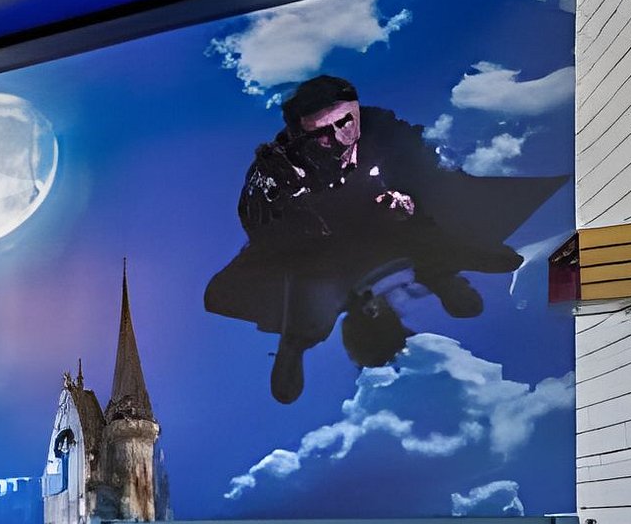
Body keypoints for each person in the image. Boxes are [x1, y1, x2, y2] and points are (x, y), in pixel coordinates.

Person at [205, 74, 565, 403]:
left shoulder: (381, 127)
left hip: (385, 229)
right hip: (319, 248)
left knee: (431, 224)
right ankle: (295, 343)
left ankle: (443, 271)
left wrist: (409, 201)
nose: (338, 139)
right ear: (300, 133)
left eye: (345, 122)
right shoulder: (274, 170)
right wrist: (303, 220)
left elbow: (429, 168)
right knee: (311, 294)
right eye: (321, 133)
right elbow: (262, 232)